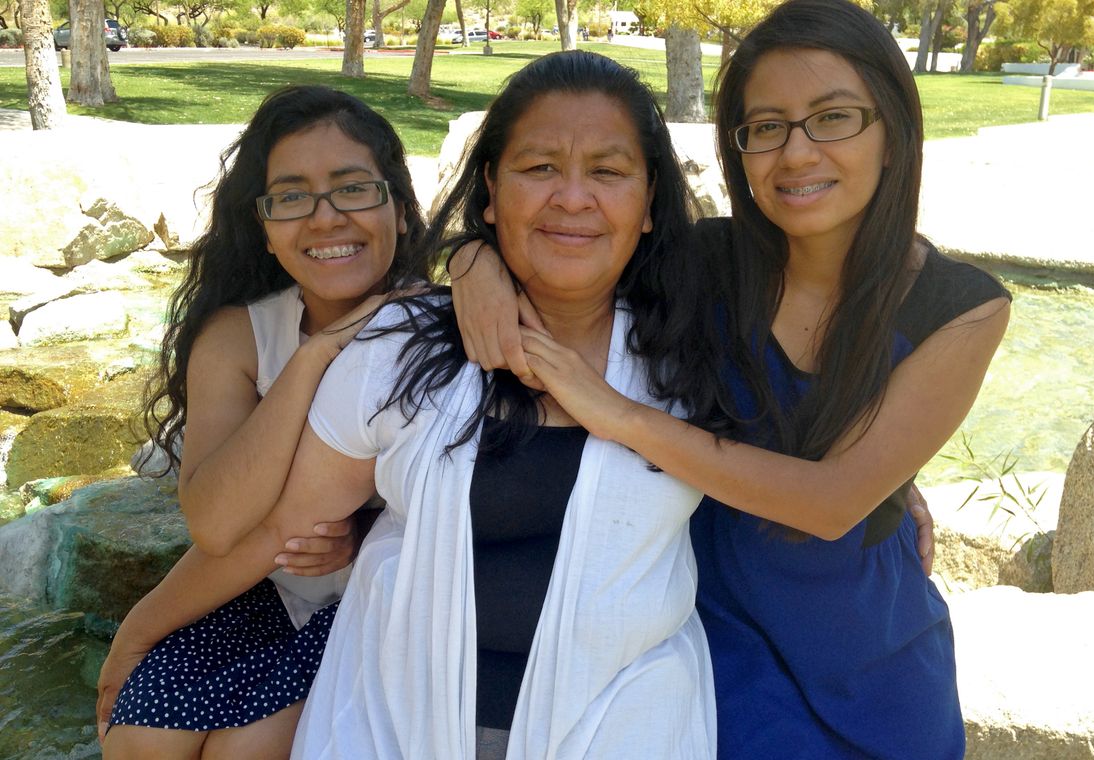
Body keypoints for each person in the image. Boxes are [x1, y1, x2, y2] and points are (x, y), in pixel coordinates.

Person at [93, 51, 724, 759]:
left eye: (607, 172)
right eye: (539, 168)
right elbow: (244, 524)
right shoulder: (373, 343)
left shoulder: (696, 342)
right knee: (143, 739)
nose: (573, 197)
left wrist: (471, 263)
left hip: (601, 715)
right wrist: (139, 630)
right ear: (490, 190)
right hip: (352, 665)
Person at [448, 1, 1011, 757]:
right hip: (714, 641)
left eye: (833, 117)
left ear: (893, 134)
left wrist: (617, 415)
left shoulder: (963, 306)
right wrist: (471, 261)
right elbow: (563, 247)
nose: (797, 153)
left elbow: (833, 502)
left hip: (874, 661)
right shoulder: (698, 264)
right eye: (766, 127)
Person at [95, 84, 427, 759]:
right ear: (265, 226)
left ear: (395, 202)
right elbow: (216, 522)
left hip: (383, 607)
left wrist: (360, 531)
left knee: (249, 749)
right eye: (292, 196)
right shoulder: (239, 335)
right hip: (265, 592)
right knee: (141, 740)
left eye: (353, 188)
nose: (325, 218)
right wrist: (311, 359)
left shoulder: (435, 327)